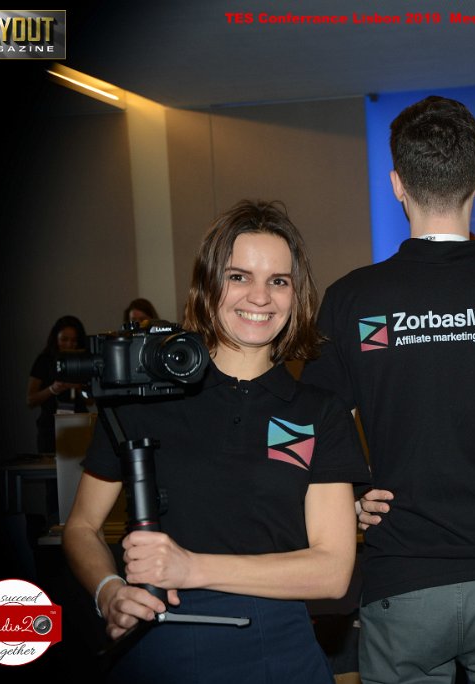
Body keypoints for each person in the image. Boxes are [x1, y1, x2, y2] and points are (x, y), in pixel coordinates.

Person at [302, 96, 475, 683]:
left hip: (402, 583)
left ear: (397, 185)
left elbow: (299, 432)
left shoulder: (353, 299)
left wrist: (350, 500)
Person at [63, 200, 369, 683]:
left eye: (279, 281)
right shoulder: (143, 399)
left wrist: (191, 568)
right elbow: (81, 526)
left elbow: (331, 572)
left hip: (279, 647)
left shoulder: (318, 413)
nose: (260, 297)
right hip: (161, 640)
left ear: (296, 295)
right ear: (208, 285)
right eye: (239, 276)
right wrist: (109, 592)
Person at [26, 315, 90, 453]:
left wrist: (78, 387)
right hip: (50, 428)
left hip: (79, 426)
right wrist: (53, 389)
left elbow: (91, 401)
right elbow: (30, 400)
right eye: (64, 339)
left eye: (74, 341)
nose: (69, 345)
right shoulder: (44, 360)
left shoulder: (84, 360)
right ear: (56, 338)